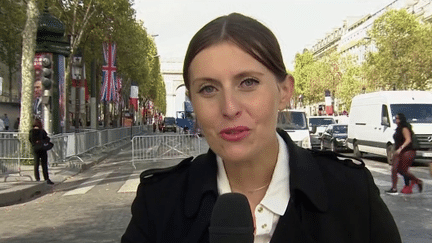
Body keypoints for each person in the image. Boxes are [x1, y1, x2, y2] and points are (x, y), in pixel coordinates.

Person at [122, 13, 401, 242]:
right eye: (208, 88)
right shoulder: (159, 203)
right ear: (192, 101)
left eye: (248, 83)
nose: (229, 108)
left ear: (283, 91)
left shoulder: (351, 194)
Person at [386, 113, 423, 194]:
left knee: (403, 170)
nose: (396, 120)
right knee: (394, 169)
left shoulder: (404, 128)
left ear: (401, 119)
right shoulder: (398, 128)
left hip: (407, 151)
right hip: (398, 151)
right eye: (396, 118)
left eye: (398, 118)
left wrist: (400, 149)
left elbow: (408, 140)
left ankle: (417, 181)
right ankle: (394, 188)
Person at [29, 119, 54, 185]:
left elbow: (30, 140)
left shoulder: (31, 131)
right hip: (42, 149)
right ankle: (46, 178)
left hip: (35, 149)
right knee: (44, 164)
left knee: (36, 164)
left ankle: (37, 178)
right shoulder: (42, 131)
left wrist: (35, 143)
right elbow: (47, 138)